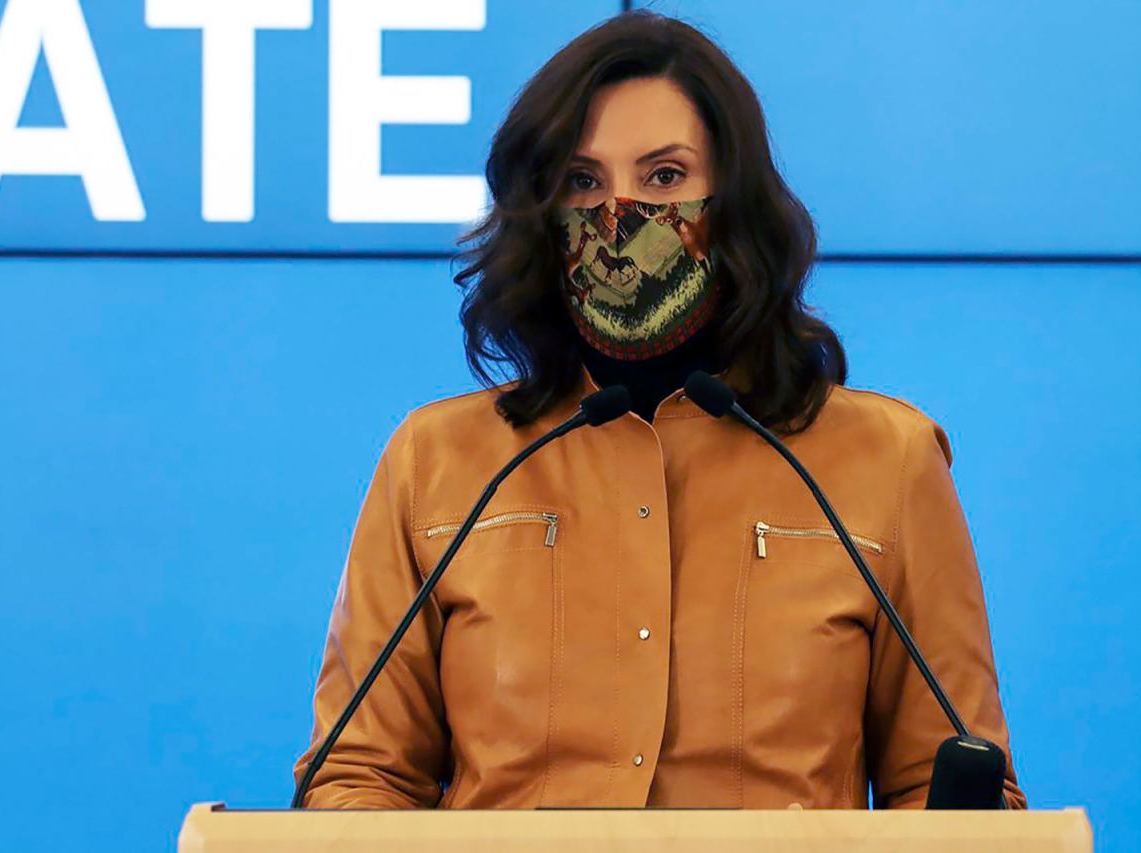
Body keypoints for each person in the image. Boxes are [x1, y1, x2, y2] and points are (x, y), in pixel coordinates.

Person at [292, 10, 1025, 810]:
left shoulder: (889, 458)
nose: (619, 214)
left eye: (665, 177)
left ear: (734, 202)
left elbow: (953, 790)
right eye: (583, 181)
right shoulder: (437, 461)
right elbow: (360, 777)